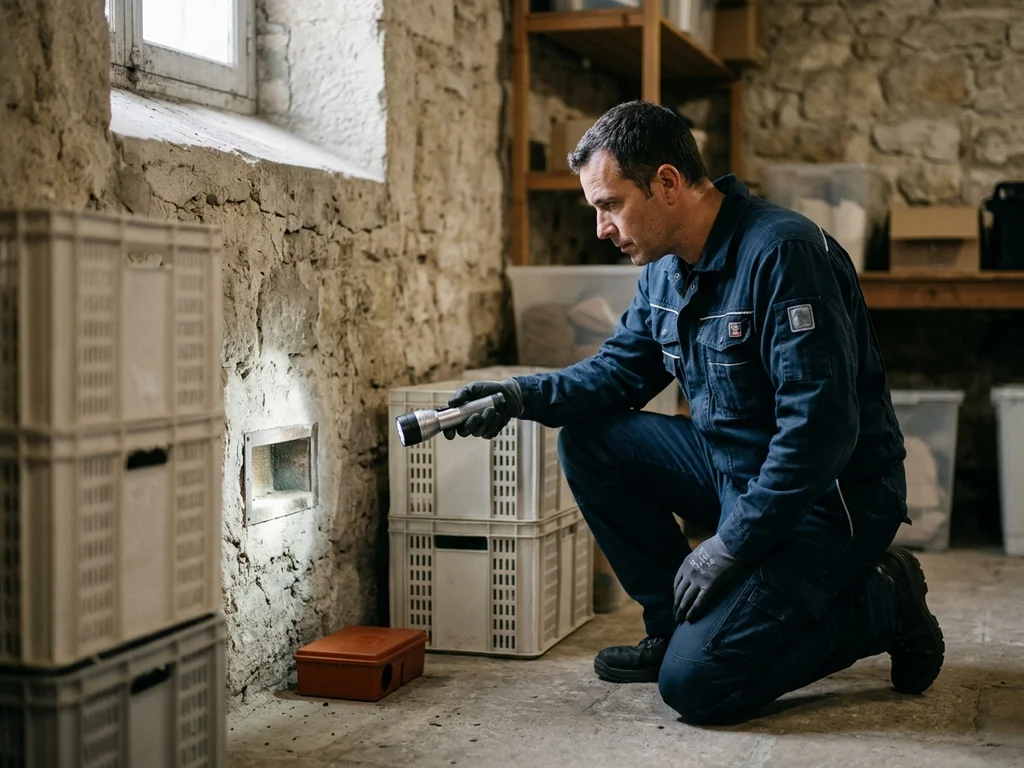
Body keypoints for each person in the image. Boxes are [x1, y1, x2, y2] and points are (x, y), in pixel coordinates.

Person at [443, 100, 944, 725]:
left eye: (610, 204)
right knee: (592, 440)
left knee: (699, 686)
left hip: (826, 503)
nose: (601, 227)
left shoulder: (784, 255)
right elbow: (619, 372)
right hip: (735, 473)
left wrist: (728, 545)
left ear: (667, 184)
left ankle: (883, 599)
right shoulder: (665, 270)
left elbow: (821, 431)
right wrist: (519, 397)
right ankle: (669, 622)